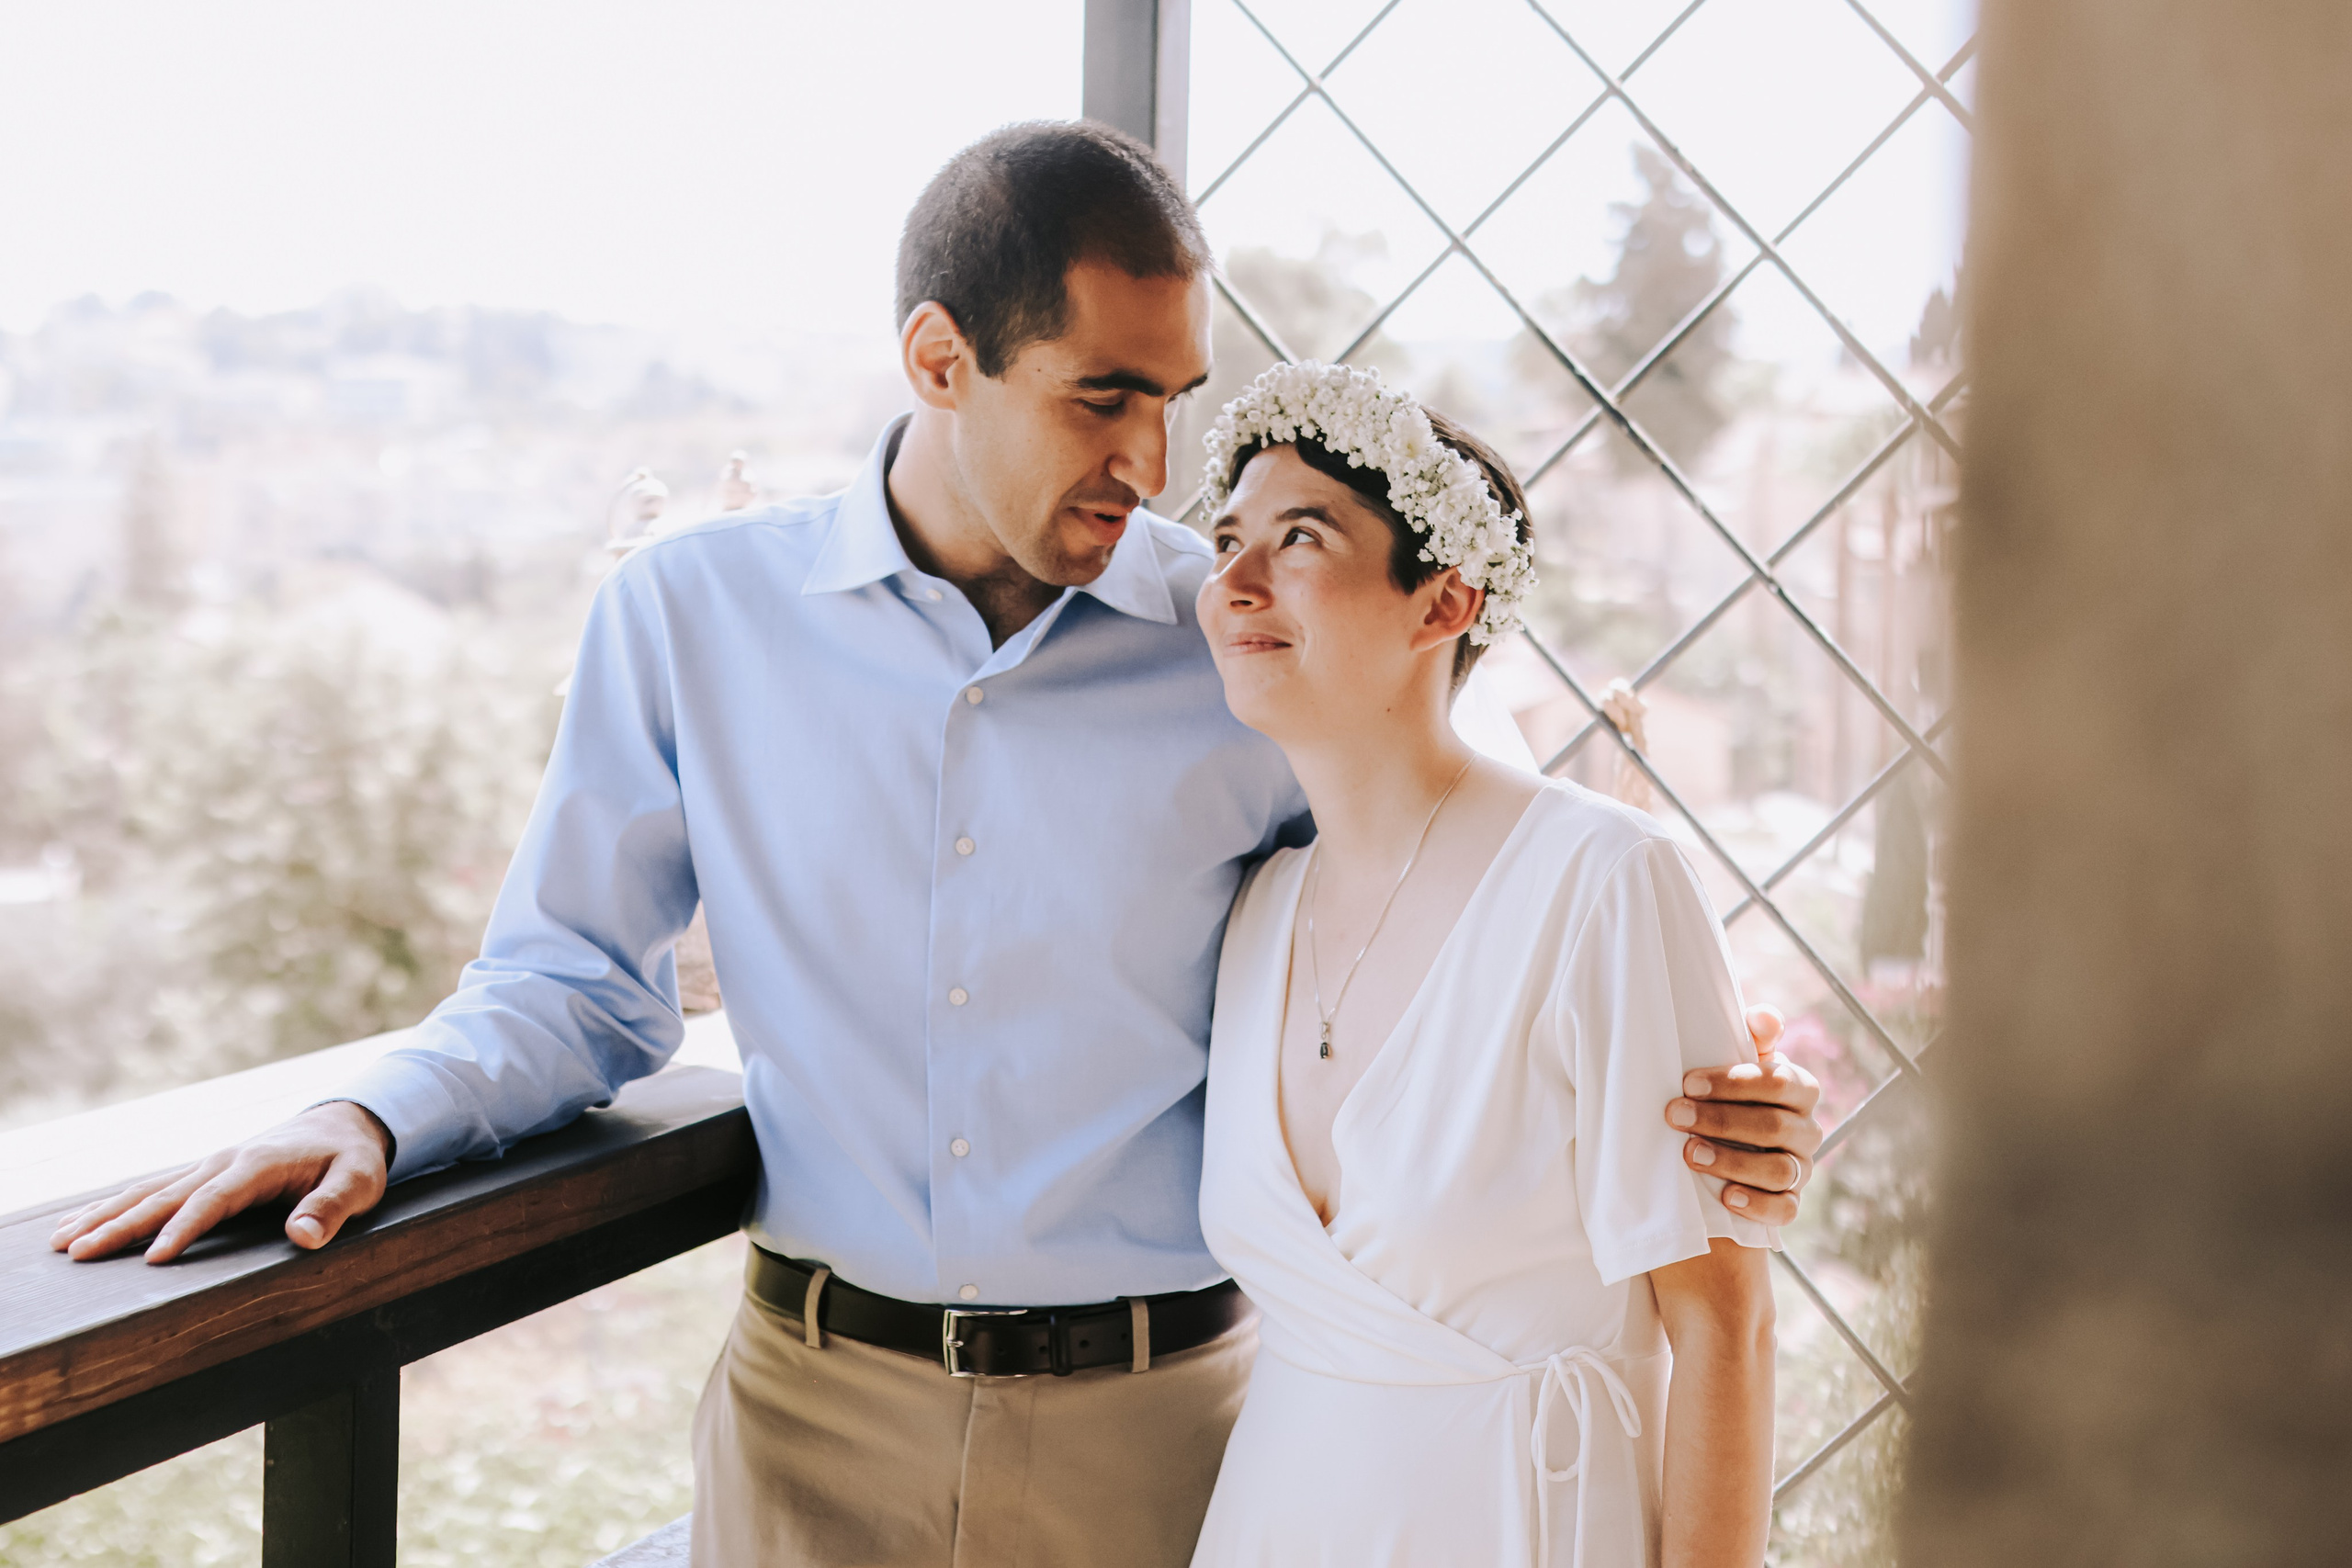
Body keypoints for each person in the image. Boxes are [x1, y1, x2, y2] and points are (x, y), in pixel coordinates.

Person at [48, 123, 1820, 1568]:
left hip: (1173, 1435)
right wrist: (365, 1112)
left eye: (1176, 402)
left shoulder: (1247, 645)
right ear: (937, 358)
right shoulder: (692, 620)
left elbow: (1477, 873)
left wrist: (1716, 1103)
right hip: (811, 1419)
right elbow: (574, 987)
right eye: (1101, 398)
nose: (1154, 463)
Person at [1187, 363, 1775, 1567]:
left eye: (1299, 539)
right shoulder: (1255, 915)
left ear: (1443, 604)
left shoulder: (1602, 884)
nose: (1234, 582)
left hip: (1524, 1527)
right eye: (1229, 538)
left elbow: (1723, 1326)